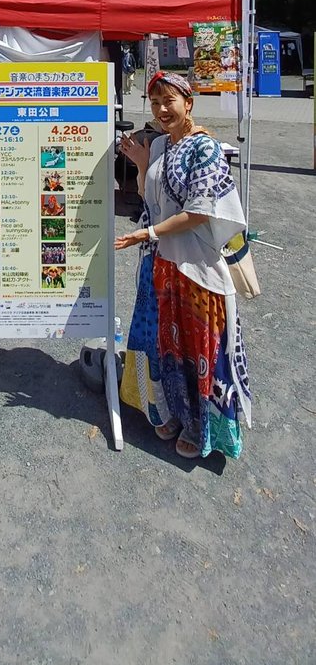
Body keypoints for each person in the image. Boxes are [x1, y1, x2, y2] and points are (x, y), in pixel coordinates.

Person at [115, 71, 251, 460]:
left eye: (168, 101)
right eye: (155, 102)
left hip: (194, 268)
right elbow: (148, 197)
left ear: (188, 103)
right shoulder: (159, 145)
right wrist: (142, 164)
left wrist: (147, 234)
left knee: (196, 349)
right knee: (160, 344)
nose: (161, 110)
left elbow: (199, 212)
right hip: (159, 265)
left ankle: (200, 426)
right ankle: (167, 410)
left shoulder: (204, 148)